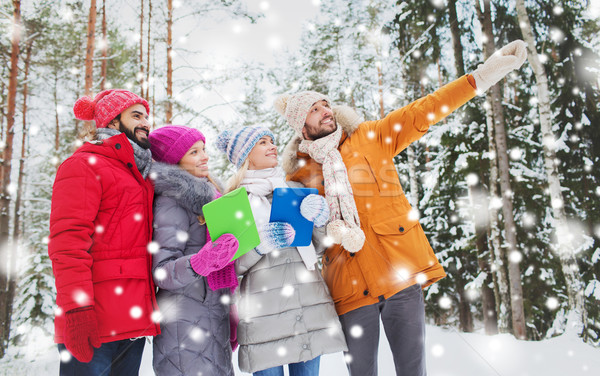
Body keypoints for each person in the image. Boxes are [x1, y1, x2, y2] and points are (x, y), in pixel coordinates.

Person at [275, 40, 529, 375]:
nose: (326, 110)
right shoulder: (298, 175)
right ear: (300, 124)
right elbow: (299, 241)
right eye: (315, 109)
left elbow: (424, 110)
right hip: (349, 288)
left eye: (326, 104)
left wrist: (480, 77)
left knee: (413, 370)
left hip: (399, 273)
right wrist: (323, 230)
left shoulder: (369, 137)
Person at [216, 125, 347, 376]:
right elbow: (229, 267)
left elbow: (317, 248)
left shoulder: (295, 191)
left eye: (272, 141)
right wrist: (259, 246)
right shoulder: (232, 202)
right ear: (245, 155)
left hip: (307, 306)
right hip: (264, 315)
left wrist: (319, 221)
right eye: (263, 142)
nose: (273, 146)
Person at [48, 89, 160, 375]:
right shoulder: (84, 165)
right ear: (112, 122)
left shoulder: (139, 174)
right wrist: (76, 309)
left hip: (132, 322)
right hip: (94, 322)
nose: (146, 122)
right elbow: (68, 243)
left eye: (146, 116)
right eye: (136, 115)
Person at [148, 125, 240, 376]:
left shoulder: (214, 198)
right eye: (194, 152)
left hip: (212, 316)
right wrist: (201, 261)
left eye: (203, 149)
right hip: (184, 325)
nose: (204, 156)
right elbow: (161, 272)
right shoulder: (171, 200)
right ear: (175, 161)